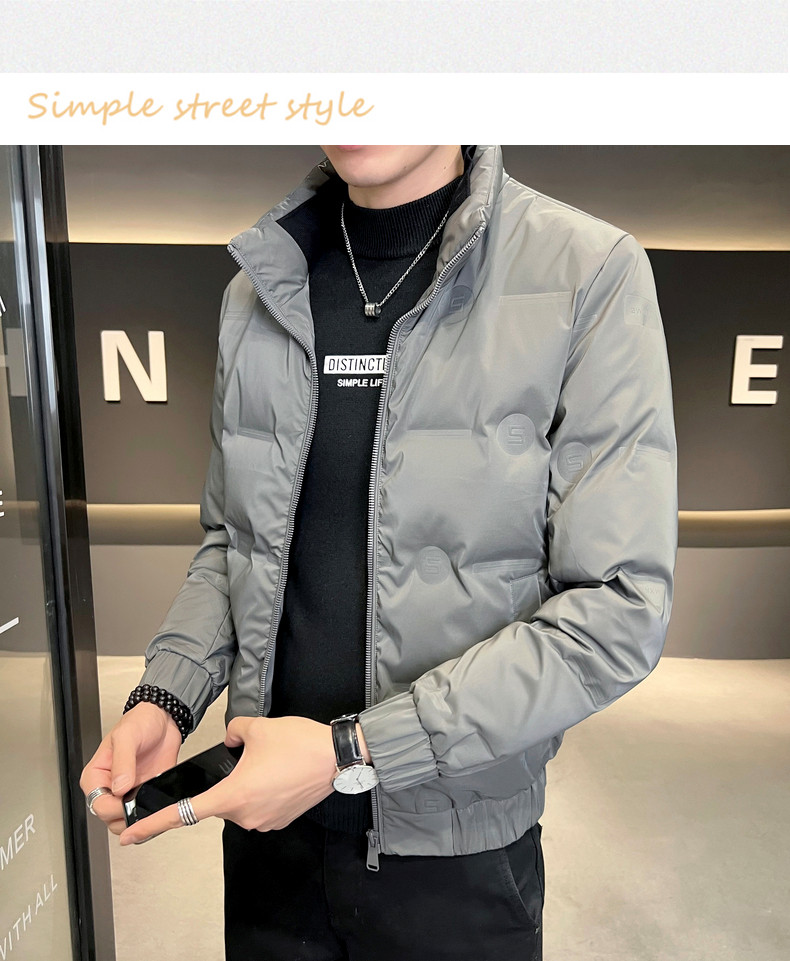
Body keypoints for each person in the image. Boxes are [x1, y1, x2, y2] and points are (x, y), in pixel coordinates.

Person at [81, 145, 678, 961]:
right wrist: (166, 696)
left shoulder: (589, 272)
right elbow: (233, 546)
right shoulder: (257, 287)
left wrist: (349, 752)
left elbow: (616, 611)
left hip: (455, 853)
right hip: (268, 835)